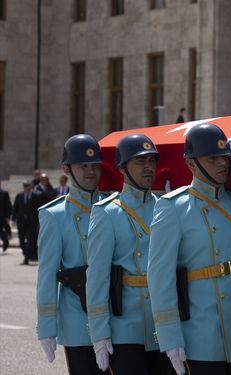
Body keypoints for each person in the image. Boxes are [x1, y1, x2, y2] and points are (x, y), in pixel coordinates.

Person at [147, 124, 231, 375]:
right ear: (191, 164)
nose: (222, 163)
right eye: (212, 158)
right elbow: (160, 278)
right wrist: (169, 337)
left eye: (224, 156)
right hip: (200, 333)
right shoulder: (172, 207)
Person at [86, 134, 174, 374]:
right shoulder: (106, 213)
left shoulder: (166, 207)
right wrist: (100, 333)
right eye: (140, 162)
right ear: (122, 169)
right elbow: (96, 279)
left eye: (151, 161)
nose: (148, 168)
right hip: (124, 328)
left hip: (164, 326)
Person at [36, 134, 106, 374]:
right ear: (66, 169)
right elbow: (47, 276)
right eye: (83, 166)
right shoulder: (55, 215)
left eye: (95, 165)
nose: (90, 172)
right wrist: (47, 327)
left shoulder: (114, 206)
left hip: (114, 315)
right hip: (78, 318)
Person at [12, 181, 43, 264]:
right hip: (21, 222)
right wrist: (13, 219)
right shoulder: (19, 196)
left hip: (32, 222)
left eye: (27, 186)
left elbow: (39, 209)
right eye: (24, 186)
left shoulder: (36, 196)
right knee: (21, 240)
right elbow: (16, 208)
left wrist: (40, 222)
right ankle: (27, 254)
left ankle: (26, 258)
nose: (26, 187)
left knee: (30, 240)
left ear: (31, 186)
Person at [0, 181, 12, 252]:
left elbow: (8, 205)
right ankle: (5, 241)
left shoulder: (4, 193)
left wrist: (8, 216)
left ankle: (5, 241)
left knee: (0, 231)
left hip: (2, 216)